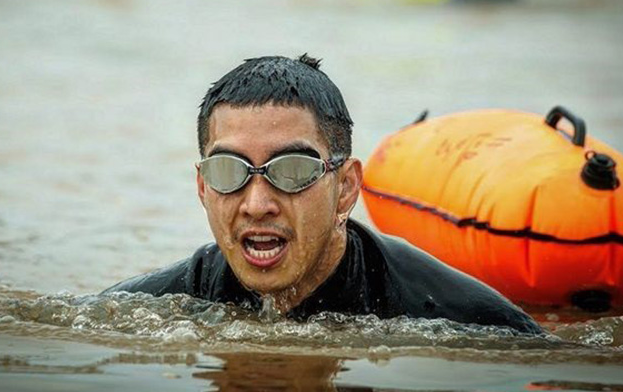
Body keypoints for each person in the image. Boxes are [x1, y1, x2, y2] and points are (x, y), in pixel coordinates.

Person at [104, 54, 542, 334]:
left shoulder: (461, 316)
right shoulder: (157, 303)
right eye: (229, 171)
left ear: (346, 188)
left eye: (292, 171)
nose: (257, 204)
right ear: (203, 187)